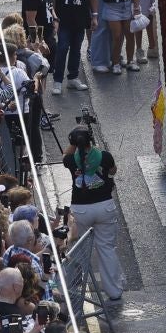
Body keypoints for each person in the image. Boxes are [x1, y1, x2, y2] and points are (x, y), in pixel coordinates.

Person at [63, 124, 122, 301]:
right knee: (106, 248)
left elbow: (65, 155)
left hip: (81, 209)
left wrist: (73, 142)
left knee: (79, 249)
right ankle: (114, 291)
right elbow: (113, 171)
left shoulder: (71, 160)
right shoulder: (104, 156)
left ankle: (74, 288)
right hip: (105, 206)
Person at [48, 0, 99, 94]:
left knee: (76, 48)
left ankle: (73, 78)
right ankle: (57, 81)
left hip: (81, 18)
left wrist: (94, 16)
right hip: (63, 19)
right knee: (63, 48)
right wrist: (54, 18)